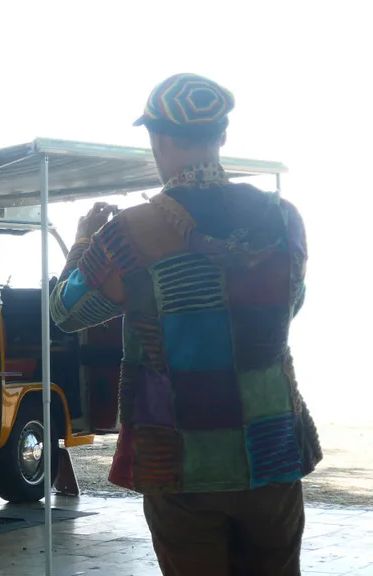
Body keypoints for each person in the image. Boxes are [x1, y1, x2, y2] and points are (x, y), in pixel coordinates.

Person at [48, 73, 321, 576]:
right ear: (222, 136)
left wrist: (84, 242)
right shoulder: (284, 218)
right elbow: (290, 305)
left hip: (179, 457)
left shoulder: (128, 233)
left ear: (157, 139)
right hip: (272, 448)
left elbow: (67, 313)